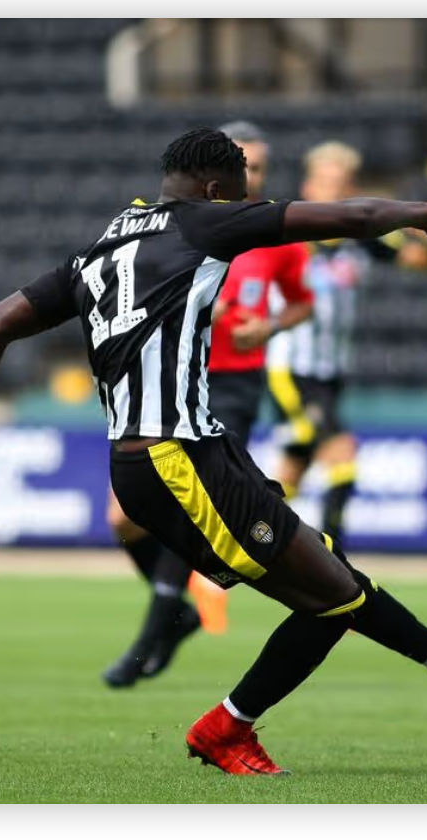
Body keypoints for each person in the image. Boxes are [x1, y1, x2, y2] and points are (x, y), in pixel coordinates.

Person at [0, 127, 427, 775]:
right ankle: (230, 726)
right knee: (327, 599)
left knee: (329, 575)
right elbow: (348, 216)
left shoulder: (101, 248)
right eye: (241, 191)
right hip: (177, 462)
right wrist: (421, 215)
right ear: (213, 188)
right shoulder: (204, 222)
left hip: (181, 453)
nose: (245, 201)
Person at [100, 121, 313, 688]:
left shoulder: (268, 233)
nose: (254, 178)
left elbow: (301, 305)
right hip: (166, 384)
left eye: (262, 168)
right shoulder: (180, 228)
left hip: (231, 383)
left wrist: (267, 327)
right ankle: (178, 611)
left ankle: (157, 625)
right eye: (247, 167)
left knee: (189, 502)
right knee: (122, 518)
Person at [267, 141, 427, 547]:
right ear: (309, 188)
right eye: (328, 183)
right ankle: (333, 560)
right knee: (342, 458)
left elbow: (423, 263)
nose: (335, 192)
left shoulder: (363, 240)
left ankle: (245, 534)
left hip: (331, 371)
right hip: (291, 368)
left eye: (343, 184)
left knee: (294, 466)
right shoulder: (287, 236)